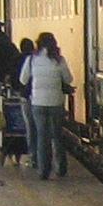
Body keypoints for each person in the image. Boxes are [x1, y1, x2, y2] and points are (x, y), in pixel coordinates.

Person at [19, 31, 74, 180]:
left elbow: (23, 79)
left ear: (38, 44)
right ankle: (61, 167)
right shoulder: (59, 60)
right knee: (57, 135)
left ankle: (44, 170)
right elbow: (68, 79)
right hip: (56, 102)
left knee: (42, 137)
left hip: (38, 103)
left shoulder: (32, 59)